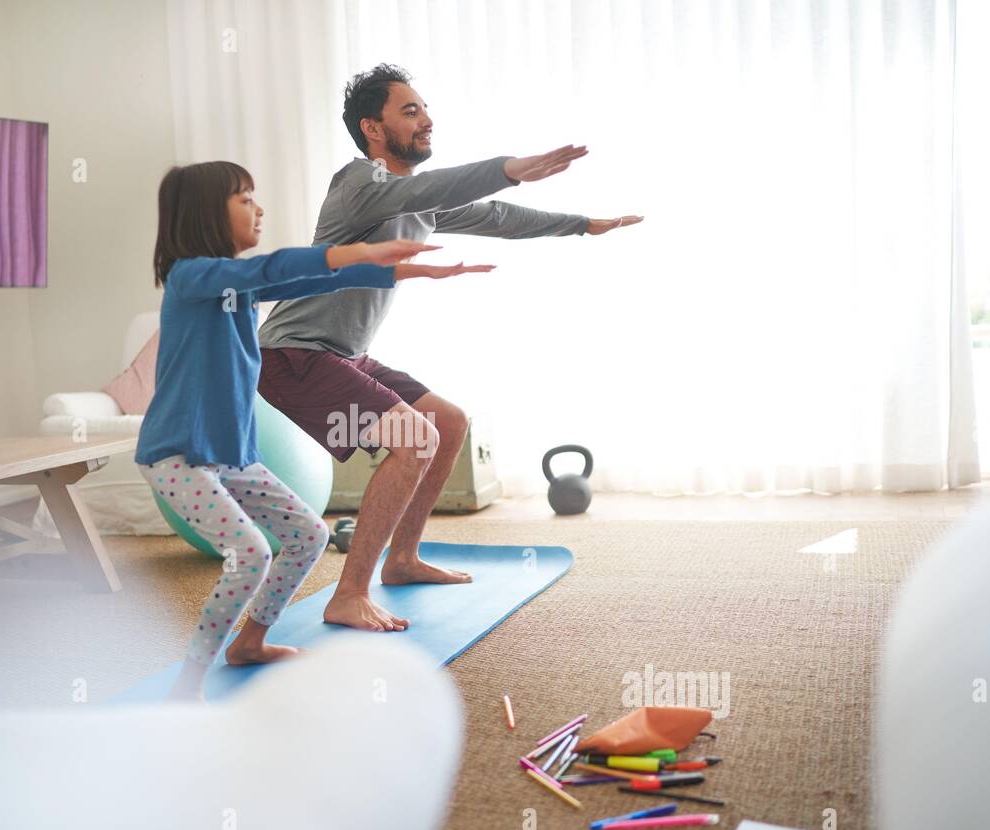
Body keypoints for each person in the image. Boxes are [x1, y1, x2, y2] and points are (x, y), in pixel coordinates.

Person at [258, 64, 643, 632]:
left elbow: (498, 217)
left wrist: (583, 225)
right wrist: (508, 168)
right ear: (372, 127)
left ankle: (405, 559)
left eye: (425, 109)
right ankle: (349, 593)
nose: (427, 120)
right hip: (294, 353)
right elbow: (433, 188)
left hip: (340, 351)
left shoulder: (416, 199)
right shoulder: (358, 182)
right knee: (416, 440)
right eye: (409, 111)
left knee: (448, 421)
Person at [140, 160, 492, 698]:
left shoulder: (231, 289)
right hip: (177, 458)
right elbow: (270, 269)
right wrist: (362, 251)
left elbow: (302, 277)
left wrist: (395, 270)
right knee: (251, 553)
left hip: (232, 458)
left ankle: (250, 642)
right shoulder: (193, 279)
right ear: (207, 213)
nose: (259, 208)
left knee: (309, 535)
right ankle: (186, 686)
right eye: (244, 199)